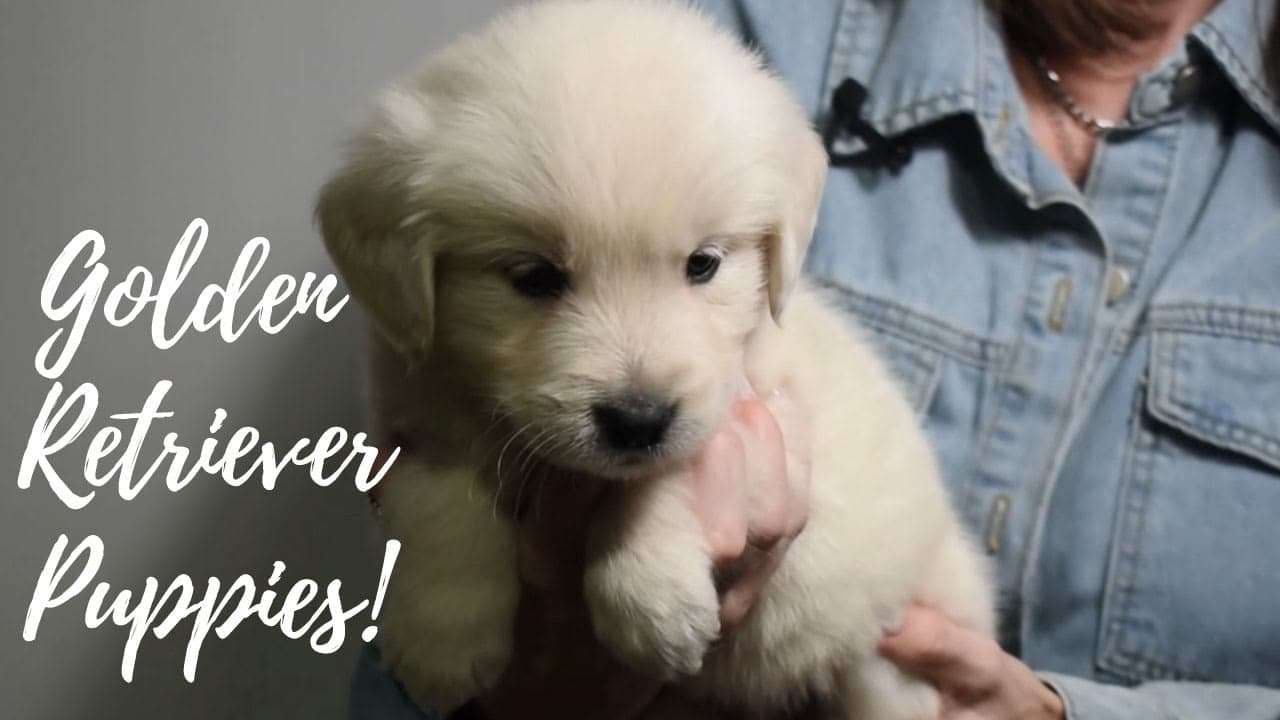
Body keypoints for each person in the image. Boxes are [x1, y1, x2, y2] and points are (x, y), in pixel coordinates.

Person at [349, 0, 1280, 717]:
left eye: (702, 265)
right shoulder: (726, 33)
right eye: (538, 278)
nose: (632, 376)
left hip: (878, 639)